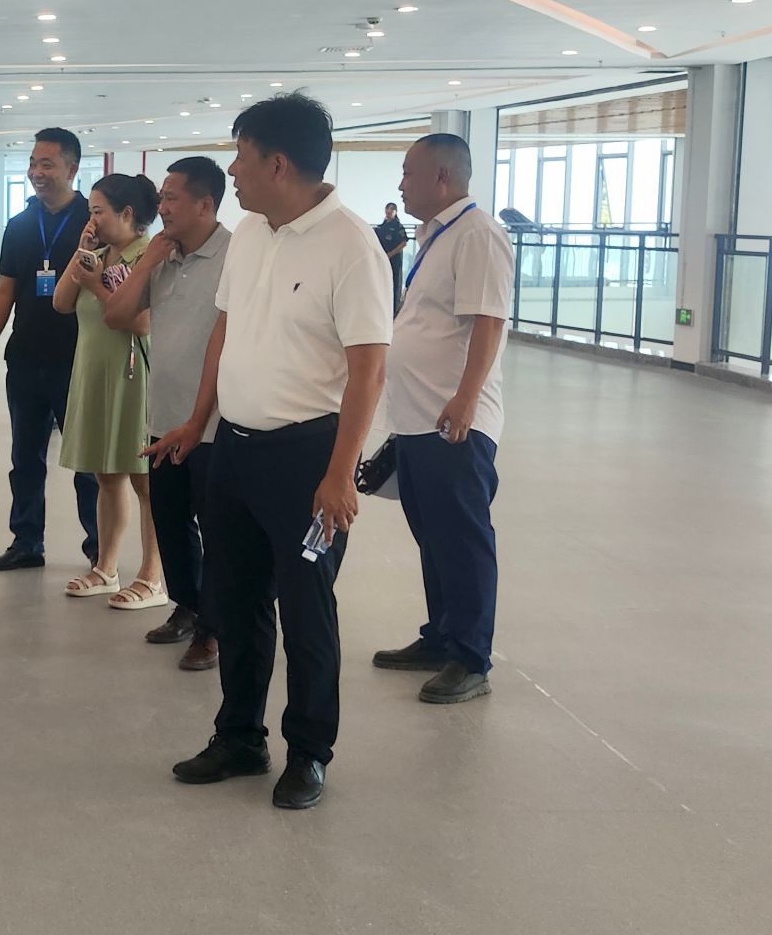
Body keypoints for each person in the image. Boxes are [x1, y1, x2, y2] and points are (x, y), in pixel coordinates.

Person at [161, 93, 390, 812]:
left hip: (307, 459)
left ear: (278, 163)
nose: (232, 171)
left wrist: (340, 474)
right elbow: (224, 333)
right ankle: (239, 737)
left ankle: (309, 751)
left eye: (240, 157)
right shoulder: (252, 235)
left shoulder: (352, 246)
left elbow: (369, 369)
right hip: (234, 449)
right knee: (234, 600)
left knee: (306, 609)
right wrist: (197, 422)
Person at [371, 134, 514, 705]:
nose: (400, 184)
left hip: (455, 422)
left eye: (409, 173)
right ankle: (441, 637)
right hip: (418, 418)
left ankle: (470, 657)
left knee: (461, 538)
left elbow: (489, 321)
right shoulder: (437, 233)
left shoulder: (478, 234)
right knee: (432, 536)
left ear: (443, 178)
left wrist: (465, 398)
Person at [110, 156, 228, 671]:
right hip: (163, 416)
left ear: (205, 204)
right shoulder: (162, 255)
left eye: (171, 198)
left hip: (216, 424)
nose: (161, 207)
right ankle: (187, 606)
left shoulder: (235, 255)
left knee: (218, 530)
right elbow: (117, 315)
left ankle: (213, 628)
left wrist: (202, 419)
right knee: (172, 521)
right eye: (161, 198)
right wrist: (147, 262)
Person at [0, 129, 100, 571]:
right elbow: (5, 290)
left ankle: (99, 548)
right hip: (26, 358)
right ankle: (26, 541)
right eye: (32, 163)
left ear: (72, 168)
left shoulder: (93, 221)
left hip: (79, 360)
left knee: (87, 462)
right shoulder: (21, 225)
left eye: (47, 164)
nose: (36, 172)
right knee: (25, 458)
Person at [54, 173, 167, 612]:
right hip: (94, 372)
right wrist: (81, 253)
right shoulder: (96, 256)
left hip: (133, 377)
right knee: (106, 474)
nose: (92, 219)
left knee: (144, 480)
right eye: (90, 212)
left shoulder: (148, 257)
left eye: (98, 211)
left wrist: (97, 284)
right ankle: (106, 567)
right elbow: (61, 302)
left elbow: (140, 323)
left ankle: (152, 576)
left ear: (127, 214)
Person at [376, 202, 410, 310]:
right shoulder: (381, 227)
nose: (389, 211)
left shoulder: (398, 226)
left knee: (394, 286)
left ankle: (394, 311)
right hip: (382, 260)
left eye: (391, 209)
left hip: (394, 261)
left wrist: (390, 254)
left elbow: (403, 243)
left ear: (395, 212)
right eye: (387, 208)